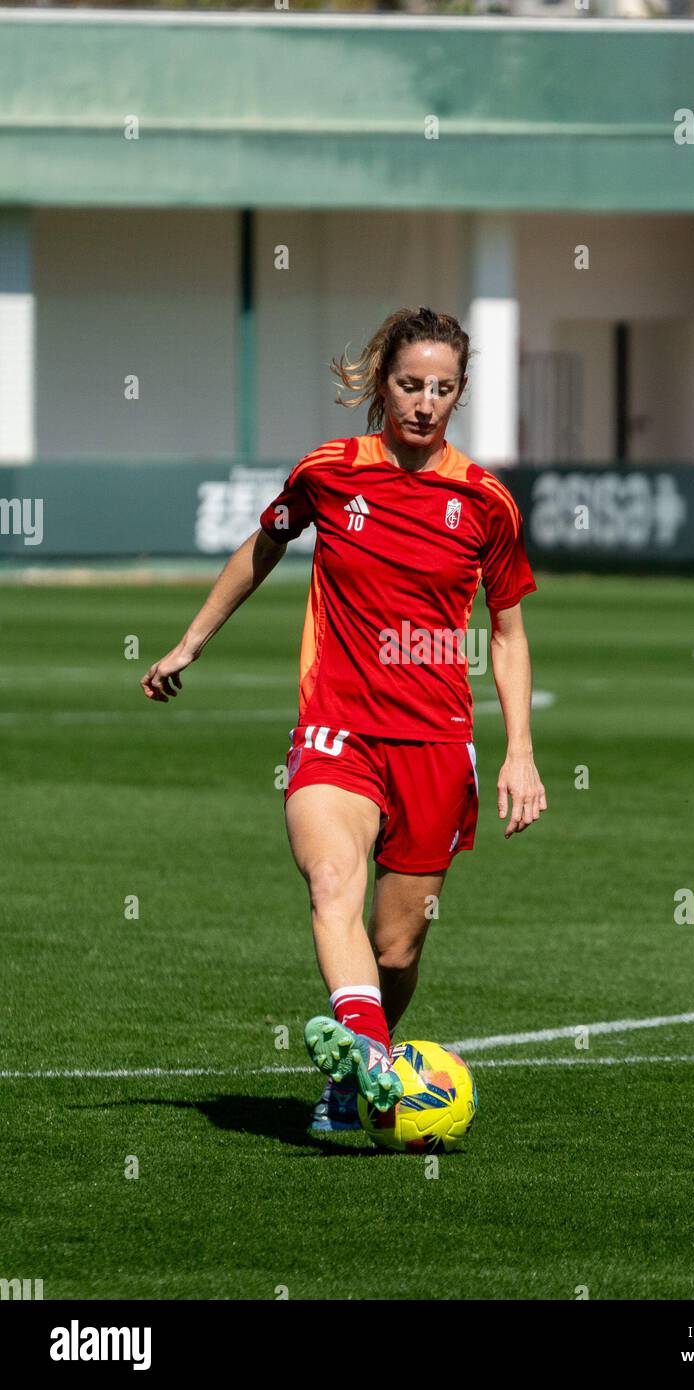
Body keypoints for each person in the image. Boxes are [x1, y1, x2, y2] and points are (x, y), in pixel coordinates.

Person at [141, 306, 546, 1131]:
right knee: (332, 881)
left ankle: (360, 1060)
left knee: (396, 949)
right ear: (380, 382)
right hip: (338, 728)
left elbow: (506, 633)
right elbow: (264, 545)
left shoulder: (485, 502)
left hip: (436, 743)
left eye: (443, 387)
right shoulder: (330, 471)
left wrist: (521, 754)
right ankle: (364, 1052)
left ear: (460, 392)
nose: (425, 402)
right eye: (410, 384)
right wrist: (191, 643)